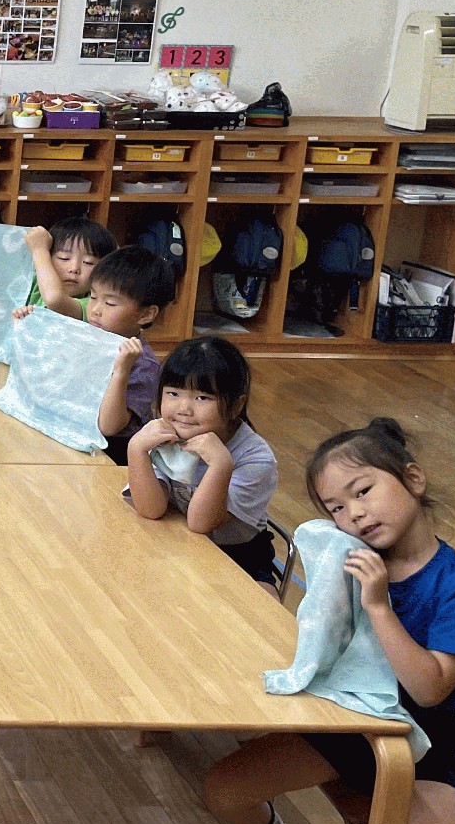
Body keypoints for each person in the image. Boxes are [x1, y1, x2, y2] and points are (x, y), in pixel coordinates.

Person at [201, 418, 455, 824]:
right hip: (340, 729)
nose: (354, 514)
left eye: (363, 491)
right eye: (336, 507)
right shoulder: (346, 558)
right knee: (224, 790)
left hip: (422, 752)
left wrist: (379, 607)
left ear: (413, 479)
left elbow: (429, 689)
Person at [126, 336, 279, 583]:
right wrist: (136, 450)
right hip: (176, 542)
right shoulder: (162, 434)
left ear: (235, 405)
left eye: (202, 398)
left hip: (238, 558)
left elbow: (201, 524)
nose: (184, 409)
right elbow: (150, 509)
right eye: (173, 393)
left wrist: (220, 466)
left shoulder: (255, 459)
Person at [25, 244, 174, 465]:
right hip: (72, 436)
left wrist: (121, 371)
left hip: (110, 456)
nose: (95, 309)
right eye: (93, 297)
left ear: (146, 314)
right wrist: (29, 326)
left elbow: (109, 427)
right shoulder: (90, 335)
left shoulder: (144, 365)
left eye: (110, 303)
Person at [23, 217, 117, 309]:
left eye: (88, 262)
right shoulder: (31, 283)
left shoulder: (93, 306)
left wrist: (39, 250)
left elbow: (55, 300)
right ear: (49, 258)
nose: (74, 269)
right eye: (64, 258)